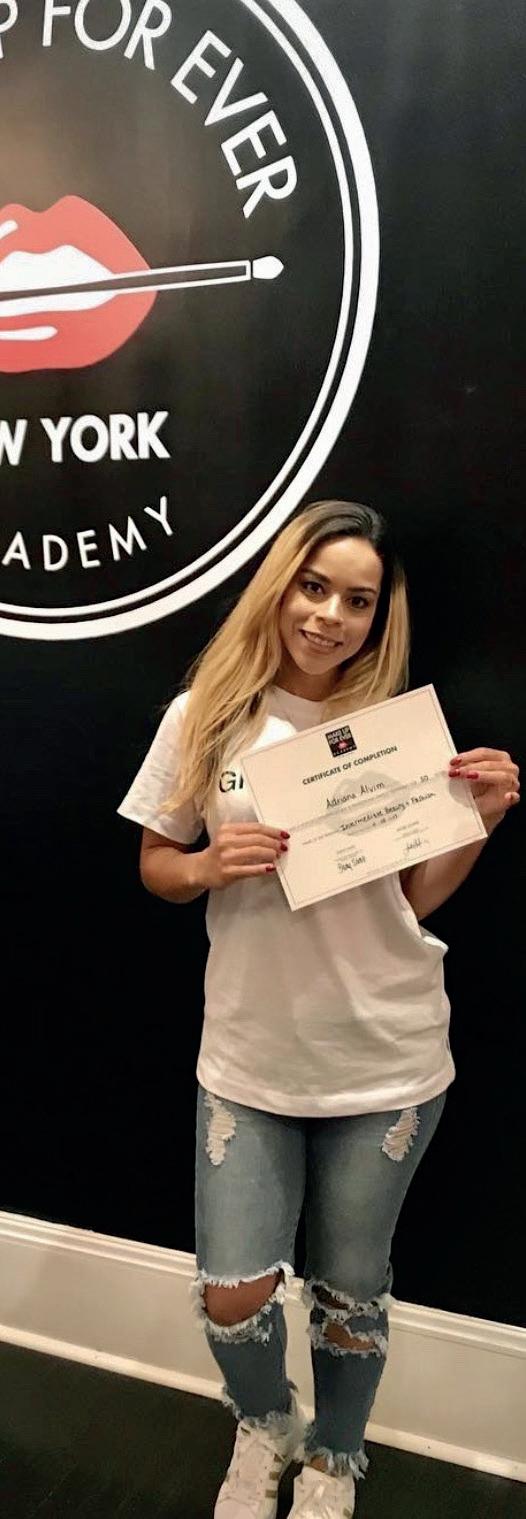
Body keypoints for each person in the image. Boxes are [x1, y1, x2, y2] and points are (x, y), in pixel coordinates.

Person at [118, 501, 519, 1519]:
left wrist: (474, 819)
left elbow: (411, 901)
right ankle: (267, 1422)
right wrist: (207, 864)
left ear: (379, 616)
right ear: (281, 585)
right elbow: (157, 862)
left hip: (385, 1056)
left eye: (358, 600)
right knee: (233, 1291)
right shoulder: (204, 714)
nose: (330, 615)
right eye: (314, 587)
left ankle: (336, 1456)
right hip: (250, 1053)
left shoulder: (393, 732)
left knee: (350, 1288)